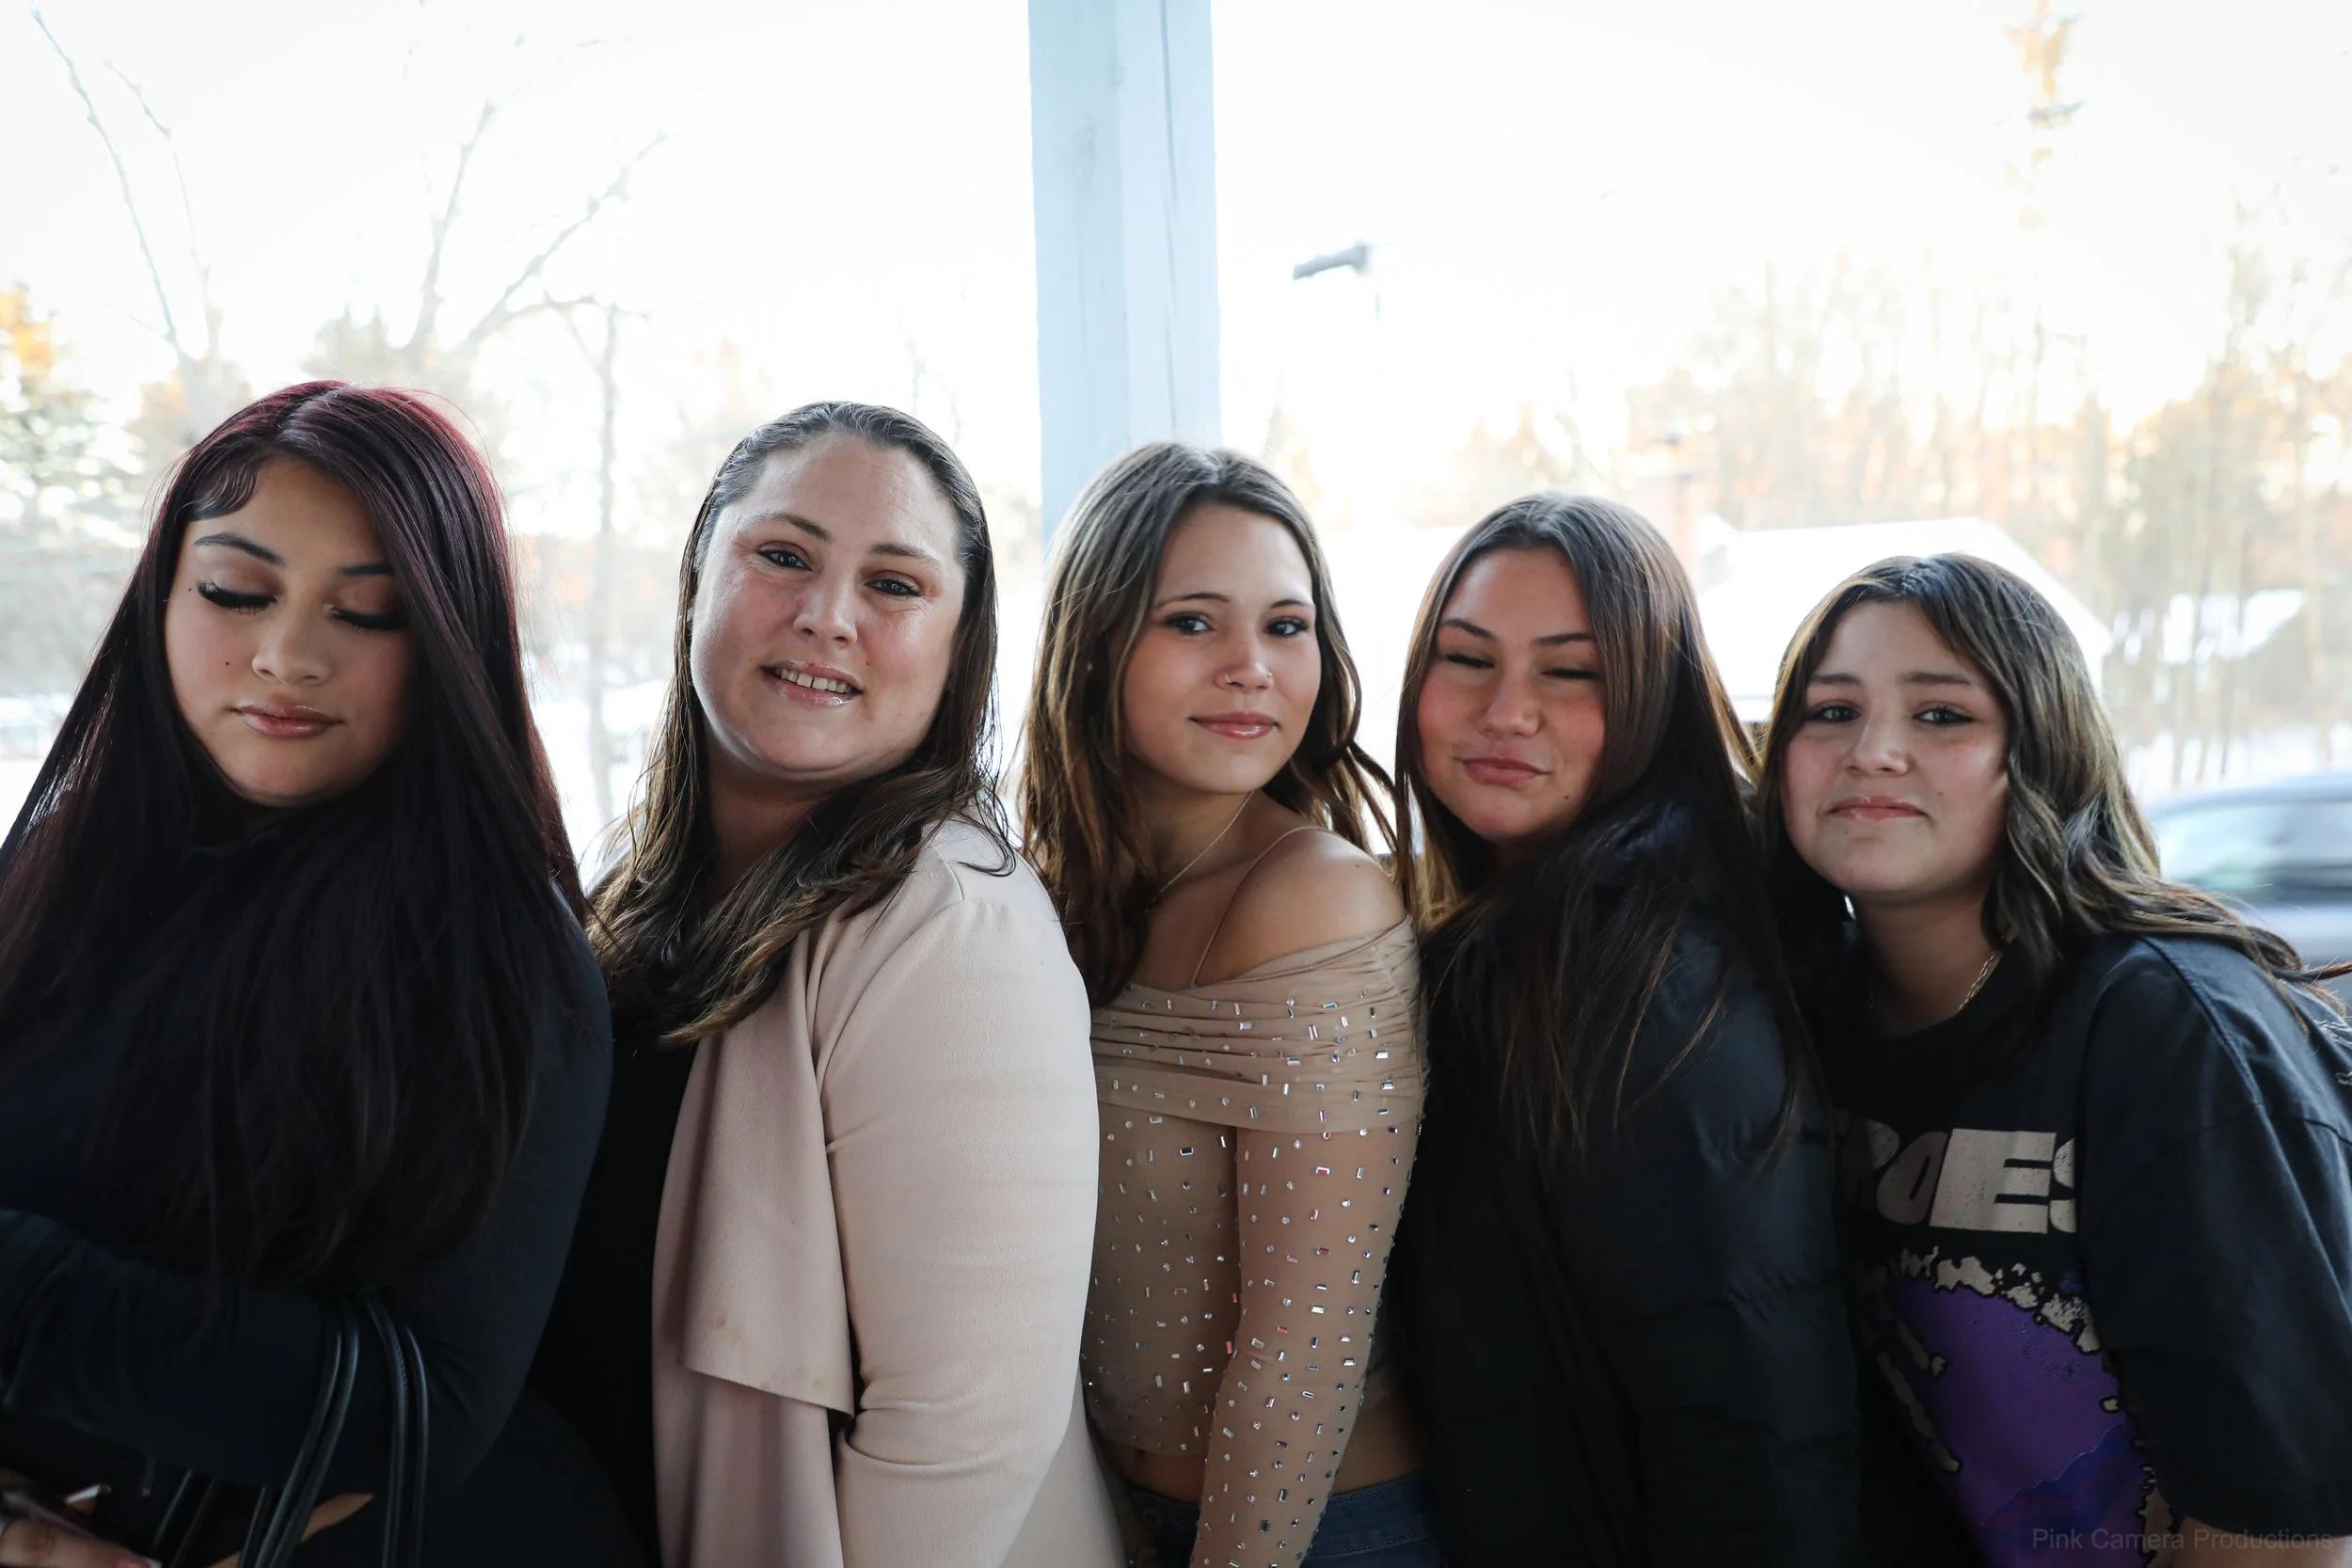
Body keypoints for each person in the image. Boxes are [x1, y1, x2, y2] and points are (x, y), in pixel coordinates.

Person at [0, 382, 611, 1567]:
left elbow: (421, 1405)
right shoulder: (46, 867)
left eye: (369, 611)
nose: (286, 654)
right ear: (162, 596)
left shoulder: (501, 955)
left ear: (446, 637)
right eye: (237, 590)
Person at [530, 402, 1116, 1568]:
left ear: (959, 651)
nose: (826, 616)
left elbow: (969, 1429)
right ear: (699, 576)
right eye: (783, 555)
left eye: (894, 585)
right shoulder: (636, 898)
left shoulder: (950, 924)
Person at [1761, 553, 2352, 1568]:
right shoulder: (1792, 1019)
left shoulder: (2167, 1027)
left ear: (2041, 750)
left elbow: (2284, 1531)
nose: (1873, 750)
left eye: (1941, 714)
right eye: (1829, 711)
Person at [1391, 494, 1857, 1566]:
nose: (1506, 711)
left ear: (1650, 696)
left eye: (1570, 671)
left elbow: (1750, 1399)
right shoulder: (1506, 929)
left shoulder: (1642, 964)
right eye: (1466, 659)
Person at [1022, 443, 1438, 1568]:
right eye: (1194, 622)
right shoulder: (1046, 895)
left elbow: (1304, 1347)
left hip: (1320, 1533)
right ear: (1096, 641)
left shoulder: (1313, 897)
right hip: (1114, 1514)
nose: (1252, 666)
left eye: (1287, 625)